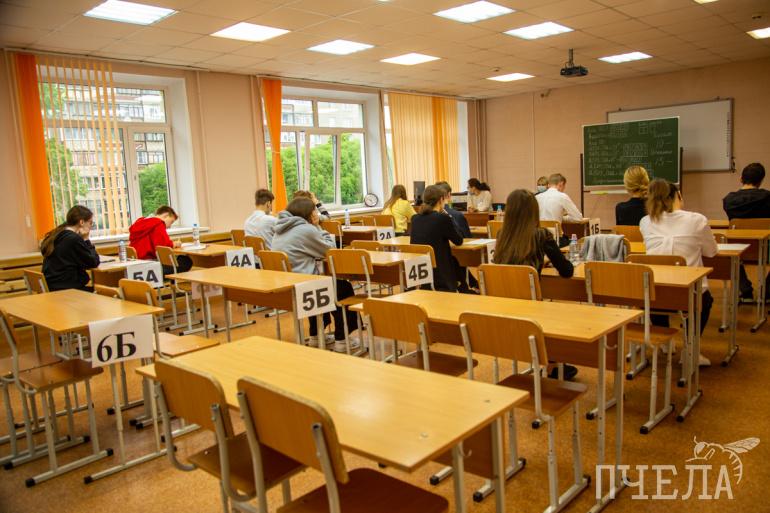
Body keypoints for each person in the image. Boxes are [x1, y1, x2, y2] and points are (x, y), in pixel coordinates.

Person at [493, 189, 577, 380]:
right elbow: (566, 271)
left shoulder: (502, 235)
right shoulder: (541, 235)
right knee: (561, 312)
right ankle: (553, 364)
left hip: (504, 305)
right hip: (531, 308)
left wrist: (538, 262)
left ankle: (551, 364)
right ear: (533, 211)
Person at [640, 179, 717, 366]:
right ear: (677, 196)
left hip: (654, 294)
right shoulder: (697, 220)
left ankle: (665, 342)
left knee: (657, 290)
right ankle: (690, 350)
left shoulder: (645, 221)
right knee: (704, 300)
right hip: (687, 295)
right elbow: (711, 252)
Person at [272, 197, 359, 351]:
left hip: (287, 287)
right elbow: (330, 250)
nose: (316, 214)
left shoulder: (279, 229)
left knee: (321, 282)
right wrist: (318, 226)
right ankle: (342, 339)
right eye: (314, 211)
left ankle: (316, 335)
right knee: (343, 288)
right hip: (305, 289)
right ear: (308, 213)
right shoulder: (306, 229)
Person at [722, 162, 770, 301]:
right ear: (761, 181)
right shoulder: (768, 198)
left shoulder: (728, 200)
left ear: (741, 179)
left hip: (739, 249)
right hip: (766, 250)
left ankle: (746, 290)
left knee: (730, 254)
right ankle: (767, 291)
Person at [410, 185, 464, 292]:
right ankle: (466, 289)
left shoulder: (415, 219)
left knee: (455, 262)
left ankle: (465, 287)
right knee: (457, 262)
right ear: (441, 200)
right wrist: (448, 216)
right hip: (440, 273)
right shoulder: (442, 218)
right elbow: (459, 240)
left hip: (420, 271)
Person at [41, 205, 100, 292]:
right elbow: (93, 262)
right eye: (90, 223)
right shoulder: (73, 239)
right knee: (103, 292)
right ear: (81, 222)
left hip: (53, 287)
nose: (91, 227)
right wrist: (86, 239)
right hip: (66, 289)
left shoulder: (57, 234)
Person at [436, 181, 477, 291]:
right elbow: (467, 239)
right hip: (456, 255)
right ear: (449, 195)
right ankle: (470, 285)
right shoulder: (456, 215)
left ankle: (471, 283)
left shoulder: (422, 218)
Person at [129, 205, 192, 275]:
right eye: (171, 222)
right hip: (150, 264)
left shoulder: (139, 223)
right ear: (166, 215)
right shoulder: (158, 223)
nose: (169, 226)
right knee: (186, 261)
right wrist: (174, 244)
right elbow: (162, 247)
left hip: (136, 263)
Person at [536, 173, 583, 246]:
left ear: (549, 185)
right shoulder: (562, 196)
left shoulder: (537, 197)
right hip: (555, 240)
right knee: (576, 242)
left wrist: (559, 218)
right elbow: (578, 218)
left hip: (538, 240)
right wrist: (561, 218)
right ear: (561, 184)